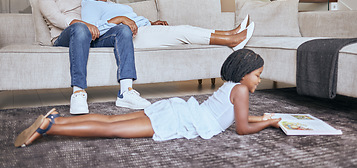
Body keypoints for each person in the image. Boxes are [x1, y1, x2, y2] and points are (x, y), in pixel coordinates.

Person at [14, 49, 281, 148]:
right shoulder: (243, 91)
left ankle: (56, 119)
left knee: (110, 121)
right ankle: (51, 126)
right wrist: (267, 124)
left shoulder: (233, 85)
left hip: (179, 110)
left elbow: (239, 116)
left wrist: (265, 117)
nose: (259, 79)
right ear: (244, 74)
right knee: (112, 131)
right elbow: (242, 128)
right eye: (257, 74)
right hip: (179, 121)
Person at [38, 0, 150, 115]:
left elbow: (103, 11)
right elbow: (57, 19)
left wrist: (142, 21)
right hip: (65, 38)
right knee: (79, 28)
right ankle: (78, 93)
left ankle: (126, 91)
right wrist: (84, 25)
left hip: (91, 37)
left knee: (123, 29)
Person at [77, 0, 255, 50]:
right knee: (183, 31)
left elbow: (130, 19)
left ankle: (230, 34)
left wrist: (151, 22)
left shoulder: (109, 4)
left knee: (185, 29)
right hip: (133, 37)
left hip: (144, 30)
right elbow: (94, 30)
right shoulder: (90, 5)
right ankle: (231, 40)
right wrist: (121, 19)